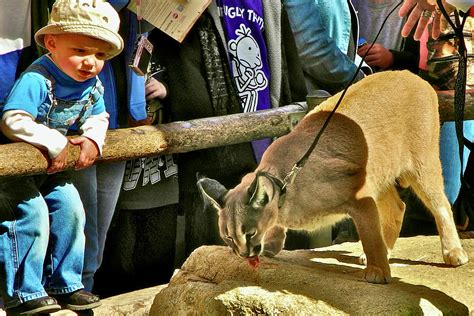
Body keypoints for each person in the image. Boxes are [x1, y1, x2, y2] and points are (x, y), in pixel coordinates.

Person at [149, 0, 306, 257]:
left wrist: (298, 112)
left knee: (272, 238)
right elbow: (175, 60)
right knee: (218, 247)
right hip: (215, 151)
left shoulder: (269, 3)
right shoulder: (188, 5)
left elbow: (286, 60)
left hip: (269, 136)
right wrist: (172, 90)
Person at [0, 0, 123, 314]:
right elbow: (13, 119)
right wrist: (56, 143)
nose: (90, 63)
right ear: (52, 43)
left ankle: (66, 283)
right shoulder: (37, 79)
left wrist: (94, 140)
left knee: (72, 210)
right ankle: (23, 291)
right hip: (15, 170)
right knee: (31, 215)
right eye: (80, 51)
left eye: (99, 55)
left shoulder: (90, 85)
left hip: (52, 170)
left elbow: (99, 115)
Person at [282, 0, 368, 95]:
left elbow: (341, 42)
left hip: (337, 94)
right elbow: (310, 48)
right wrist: (358, 80)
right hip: (308, 98)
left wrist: (363, 70)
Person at [353, 0, 420, 73]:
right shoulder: (344, 4)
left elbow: (422, 65)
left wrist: (393, 58)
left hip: (396, 81)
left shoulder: (417, 5)